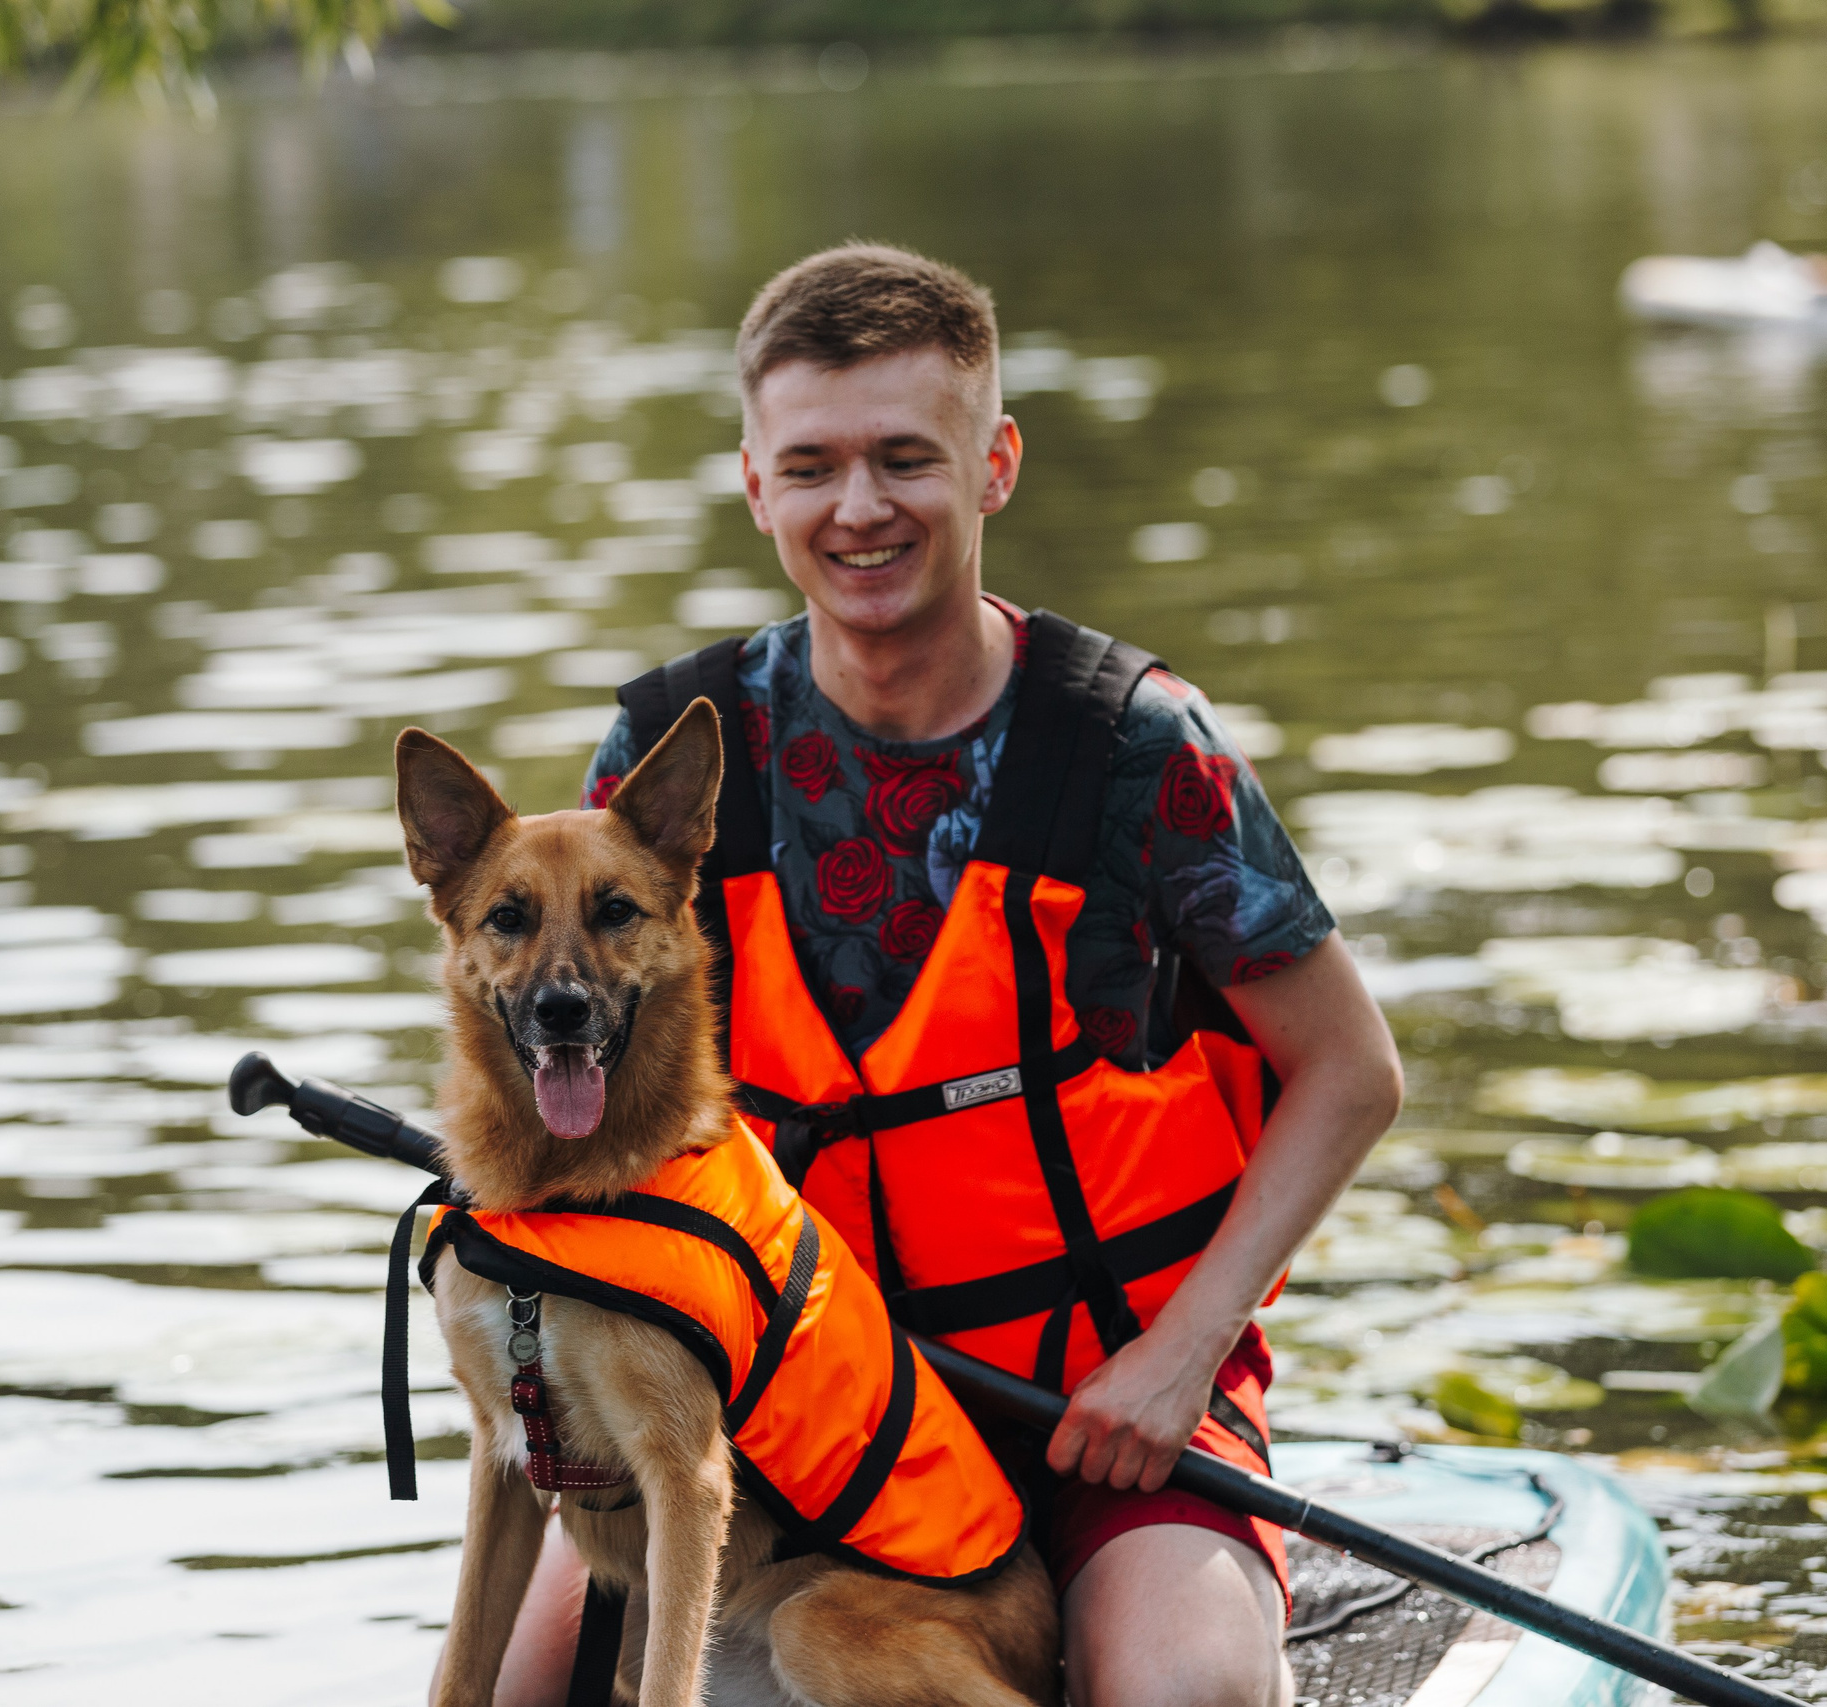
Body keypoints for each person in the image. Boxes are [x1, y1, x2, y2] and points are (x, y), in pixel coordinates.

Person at [491, 244, 1402, 1707]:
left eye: (908, 458)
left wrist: (1180, 1360)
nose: (860, 509)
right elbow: (590, 1130)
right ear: (755, 484)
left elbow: (1353, 1076)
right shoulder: (668, 764)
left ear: (995, 466)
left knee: (1184, 1698)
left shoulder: (1137, 753)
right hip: (791, 1417)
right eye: (814, 466)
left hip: (1098, 1415)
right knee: (526, 1691)